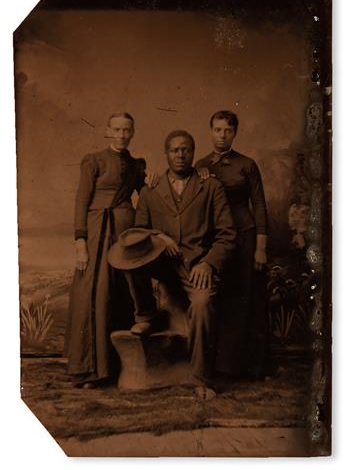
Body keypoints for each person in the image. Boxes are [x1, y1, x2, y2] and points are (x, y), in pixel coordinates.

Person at [109, 130, 237, 395]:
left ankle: (201, 379)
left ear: (193, 153)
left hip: (196, 265)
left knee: (202, 304)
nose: (180, 154)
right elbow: (138, 231)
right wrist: (159, 236)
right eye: (174, 150)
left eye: (186, 149)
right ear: (166, 153)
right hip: (161, 262)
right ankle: (146, 314)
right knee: (127, 256)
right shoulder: (150, 190)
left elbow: (228, 234)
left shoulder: (210, 187)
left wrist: (209, 264)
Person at [64, 111, 157, 388]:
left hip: (124, 233)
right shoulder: (93, 161)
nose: (121, 135)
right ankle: (90, 370)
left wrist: (152, 183)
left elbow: (149, 196)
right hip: (96, 232)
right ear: (107, 131)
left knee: (122, 291)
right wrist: (80, 241)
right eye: (116, 129)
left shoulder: (136, 165)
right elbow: (82, 201)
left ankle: (116, 368)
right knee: (94, 291)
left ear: (132, 132)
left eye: (127, 130)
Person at [195, 110, 269, 379]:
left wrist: (261, 246)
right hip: (216, 240)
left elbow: (259, 205)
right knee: (221, 298)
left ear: (235, 133)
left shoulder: (247, 164)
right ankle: (220, 366)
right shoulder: (201, 165)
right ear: (210, 131)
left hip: (245, 235)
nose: (222, 135)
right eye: (217, 129)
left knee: (246, 297)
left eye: (227, 130)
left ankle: (250, 367)